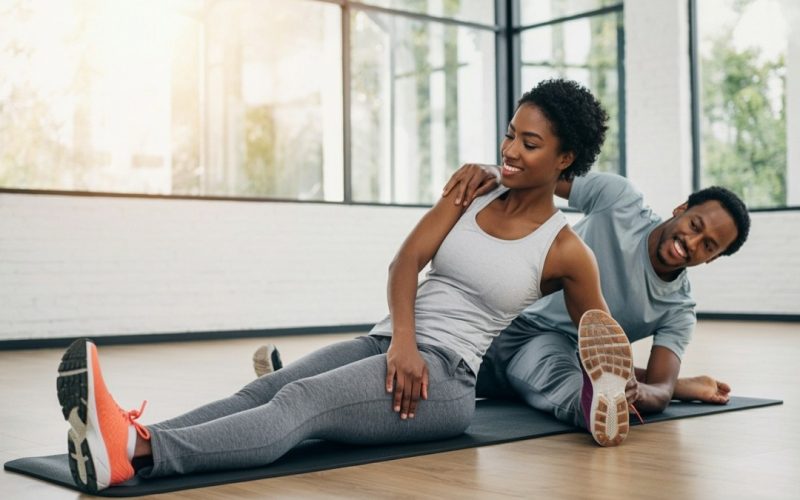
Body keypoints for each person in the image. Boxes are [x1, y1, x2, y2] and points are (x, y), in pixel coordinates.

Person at [55, 79, 628, 494]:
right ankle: (129, 435)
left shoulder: (566, 250)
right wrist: (401, 340)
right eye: (509, 136)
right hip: (389, 343)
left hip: (444, 379)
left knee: (301, 403)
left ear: (566, 158)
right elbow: (406, 262)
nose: (509, 151)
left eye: (529, 144)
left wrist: (622, 389)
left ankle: (138, 452)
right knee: (265, 389)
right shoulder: (472, 190)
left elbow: (598, 337)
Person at [431, 161, 750, 428]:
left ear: (712, 258)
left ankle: (603, 408)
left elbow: (660, 390)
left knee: (568, 384)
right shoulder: (620, 200)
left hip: (551, 347)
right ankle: (674, 386)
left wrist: (634, 393)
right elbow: (543, 176)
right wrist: (493, 172)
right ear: (681, 209)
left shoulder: (678, 310)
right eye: (695, 225)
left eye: (708, 245)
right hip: (498, 308)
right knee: (416, 359)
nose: (692, 243)